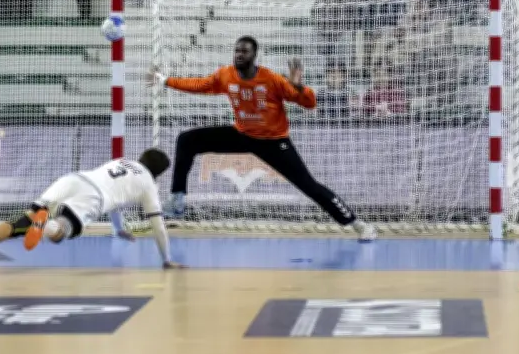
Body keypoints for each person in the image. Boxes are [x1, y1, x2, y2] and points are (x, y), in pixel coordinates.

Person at [146, 36, 376, 242]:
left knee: (309, 186)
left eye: (244, 51)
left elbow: (309, 103)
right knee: (187, 140)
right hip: (242, 134)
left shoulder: (272, 80)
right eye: (236, 50)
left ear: (254, 56)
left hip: (274, 142)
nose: (239, 55)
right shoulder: (226, 75)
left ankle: (358, 224)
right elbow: (200, 85)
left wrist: (298, 87)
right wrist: (165, 80)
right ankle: (177, 200)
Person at [0, 149, 184, 272]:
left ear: (141, 157)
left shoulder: (122, 161)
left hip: (74, 178)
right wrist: (166, 259)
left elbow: (117, 202)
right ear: (159, 173)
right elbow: (158, 226)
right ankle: (47, 224)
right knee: (62, 231)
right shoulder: (148, 184)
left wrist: (119, 228)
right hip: (92, 198)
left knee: (21, 222)